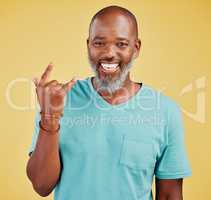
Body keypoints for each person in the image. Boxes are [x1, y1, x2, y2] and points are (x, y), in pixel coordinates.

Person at [26, 5, 192, 200]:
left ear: (136, 48)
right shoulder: (58, 101)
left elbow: (170, 194)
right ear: (88, 45)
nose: (109, 53)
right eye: (99, 43)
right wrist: (49, 117)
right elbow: (41, 186)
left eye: (121, 44)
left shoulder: (165, 111)